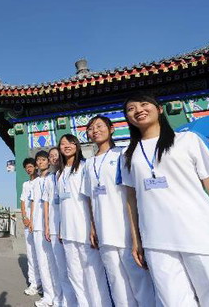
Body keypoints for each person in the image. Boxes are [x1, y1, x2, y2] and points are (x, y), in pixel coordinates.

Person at [120, 93, 209, 306]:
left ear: (159, 109)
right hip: (157, 241)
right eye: (131, 108)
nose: (138, 110)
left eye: (144, 104)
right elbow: (131, 199)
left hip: (201, 234)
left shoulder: (189, 139)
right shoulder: (128, 154)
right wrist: (137, 240)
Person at [81, 115, 156, 306]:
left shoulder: (123, 155)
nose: (95, 130)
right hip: (104, 231)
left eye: (99, 126)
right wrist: (92, 226)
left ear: (111, 129)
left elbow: (133, 193)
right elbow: (89, 198)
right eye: (91, 128)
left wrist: (137, 230)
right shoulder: (88, 164)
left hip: (125, 229)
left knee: (139, 279)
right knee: (116, 281)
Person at [57, 134, 111, 307]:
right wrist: (60, 229)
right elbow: (60, 206)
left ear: (77, 146)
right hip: (67, 232)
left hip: (84, 229)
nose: (66, 146)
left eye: (70, 142)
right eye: (62, 143)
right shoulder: (59, 173)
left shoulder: (85, 167)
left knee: (93, 274)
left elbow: (90, 199)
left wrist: (93, 226)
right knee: (74, 274)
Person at [44, 147, 77, 306]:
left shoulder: (70, 173)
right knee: (61, 268)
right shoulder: (51, 177)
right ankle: (63, 300)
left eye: (56, 155)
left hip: (70, 227)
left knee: (74, 268)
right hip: (55, 228)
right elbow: (47, 204)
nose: (53, 158)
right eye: (50, 156)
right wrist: (47, 226)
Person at [30, 150, 59, 307]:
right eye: (38, 160)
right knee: (42, 261)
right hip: (38, 226)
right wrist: (33, 222)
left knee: (54, 262)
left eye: (43, 159)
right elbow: (33, 203)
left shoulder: (53, 178)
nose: (40, 162)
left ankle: (58, 295)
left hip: (51, 225)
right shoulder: (34, 182)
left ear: (48, 161)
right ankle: (48, 295)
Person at [19, 158, 42, 296]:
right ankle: (34, 283)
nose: (29, 169)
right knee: (31, 255)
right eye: (26, 167)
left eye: (31, 166)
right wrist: (24, 217)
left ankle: (44, 284)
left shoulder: (40, 181)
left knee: (42, 256)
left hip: (38, 223)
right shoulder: (25, 184)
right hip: (28, 224)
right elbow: (23, 202)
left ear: (35, 167)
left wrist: (33, 219)